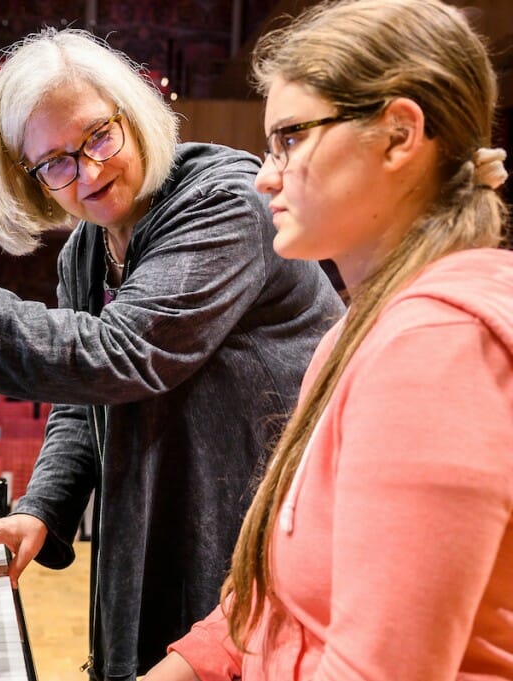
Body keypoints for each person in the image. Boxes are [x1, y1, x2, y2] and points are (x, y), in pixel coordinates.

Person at [0, 28, 344, 679]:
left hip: (259, 531)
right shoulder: (84, 251)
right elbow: (79, 403)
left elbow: (122, 353)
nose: (87, 171)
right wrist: (40, 507)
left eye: (97, 136)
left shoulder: (224, 202)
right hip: (164, 525)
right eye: (54, 161)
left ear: (132, 113)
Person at [143, 1, 513, 679]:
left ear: (400, 135)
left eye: (289, 136)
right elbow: (273, 604)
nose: (264, 175)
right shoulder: (358, 324)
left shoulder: (437, 347)